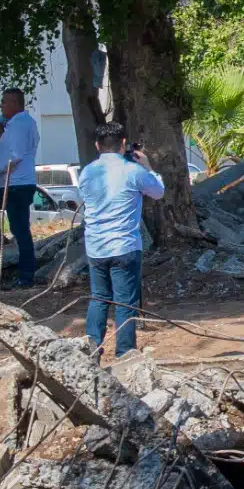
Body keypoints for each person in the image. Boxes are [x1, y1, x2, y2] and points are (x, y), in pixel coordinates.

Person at [76, 124, 164, 355]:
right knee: (125, 304)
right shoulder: (134, 172)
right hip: (124, 246)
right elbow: (158, 192)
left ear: (97, 145)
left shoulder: (86, 172)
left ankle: (91, 350)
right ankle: (124, 354)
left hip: (96, 247)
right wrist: (148, 167)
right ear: (123, 143)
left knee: (99, 298)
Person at [0, 86, 41, 287]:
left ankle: (26, 276)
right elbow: (10, 148)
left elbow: (15, 155)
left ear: (14, 103)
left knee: (20, 229)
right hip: (16, 183)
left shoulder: (18, 125)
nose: (1, 106)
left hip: (17, 184)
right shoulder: (24, 123)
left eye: (4, 102)